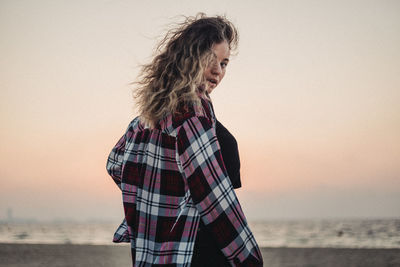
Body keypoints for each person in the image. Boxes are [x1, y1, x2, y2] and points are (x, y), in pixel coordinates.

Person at [106, 13, 263, 266]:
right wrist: (248, 258)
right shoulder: (192, 111)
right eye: (210, 59)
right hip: (197, 251)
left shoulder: (149, 116)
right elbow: (214, 198)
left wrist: (159, 205)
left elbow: (115, 163)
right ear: (189, 57)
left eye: (224, 63)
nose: (217, 71)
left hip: (160, 250)